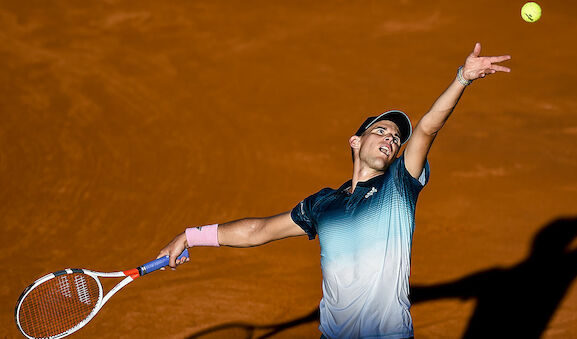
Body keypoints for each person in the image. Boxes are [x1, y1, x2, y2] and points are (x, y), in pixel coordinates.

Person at [157, 43, 511, 339]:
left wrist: (462, 78)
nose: (391, 139)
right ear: (356, 141)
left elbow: (427, 129)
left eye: (395, 139)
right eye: (382, 131)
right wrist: (190, 237)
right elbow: (258, 231)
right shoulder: (323, 205)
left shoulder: (400, 184)